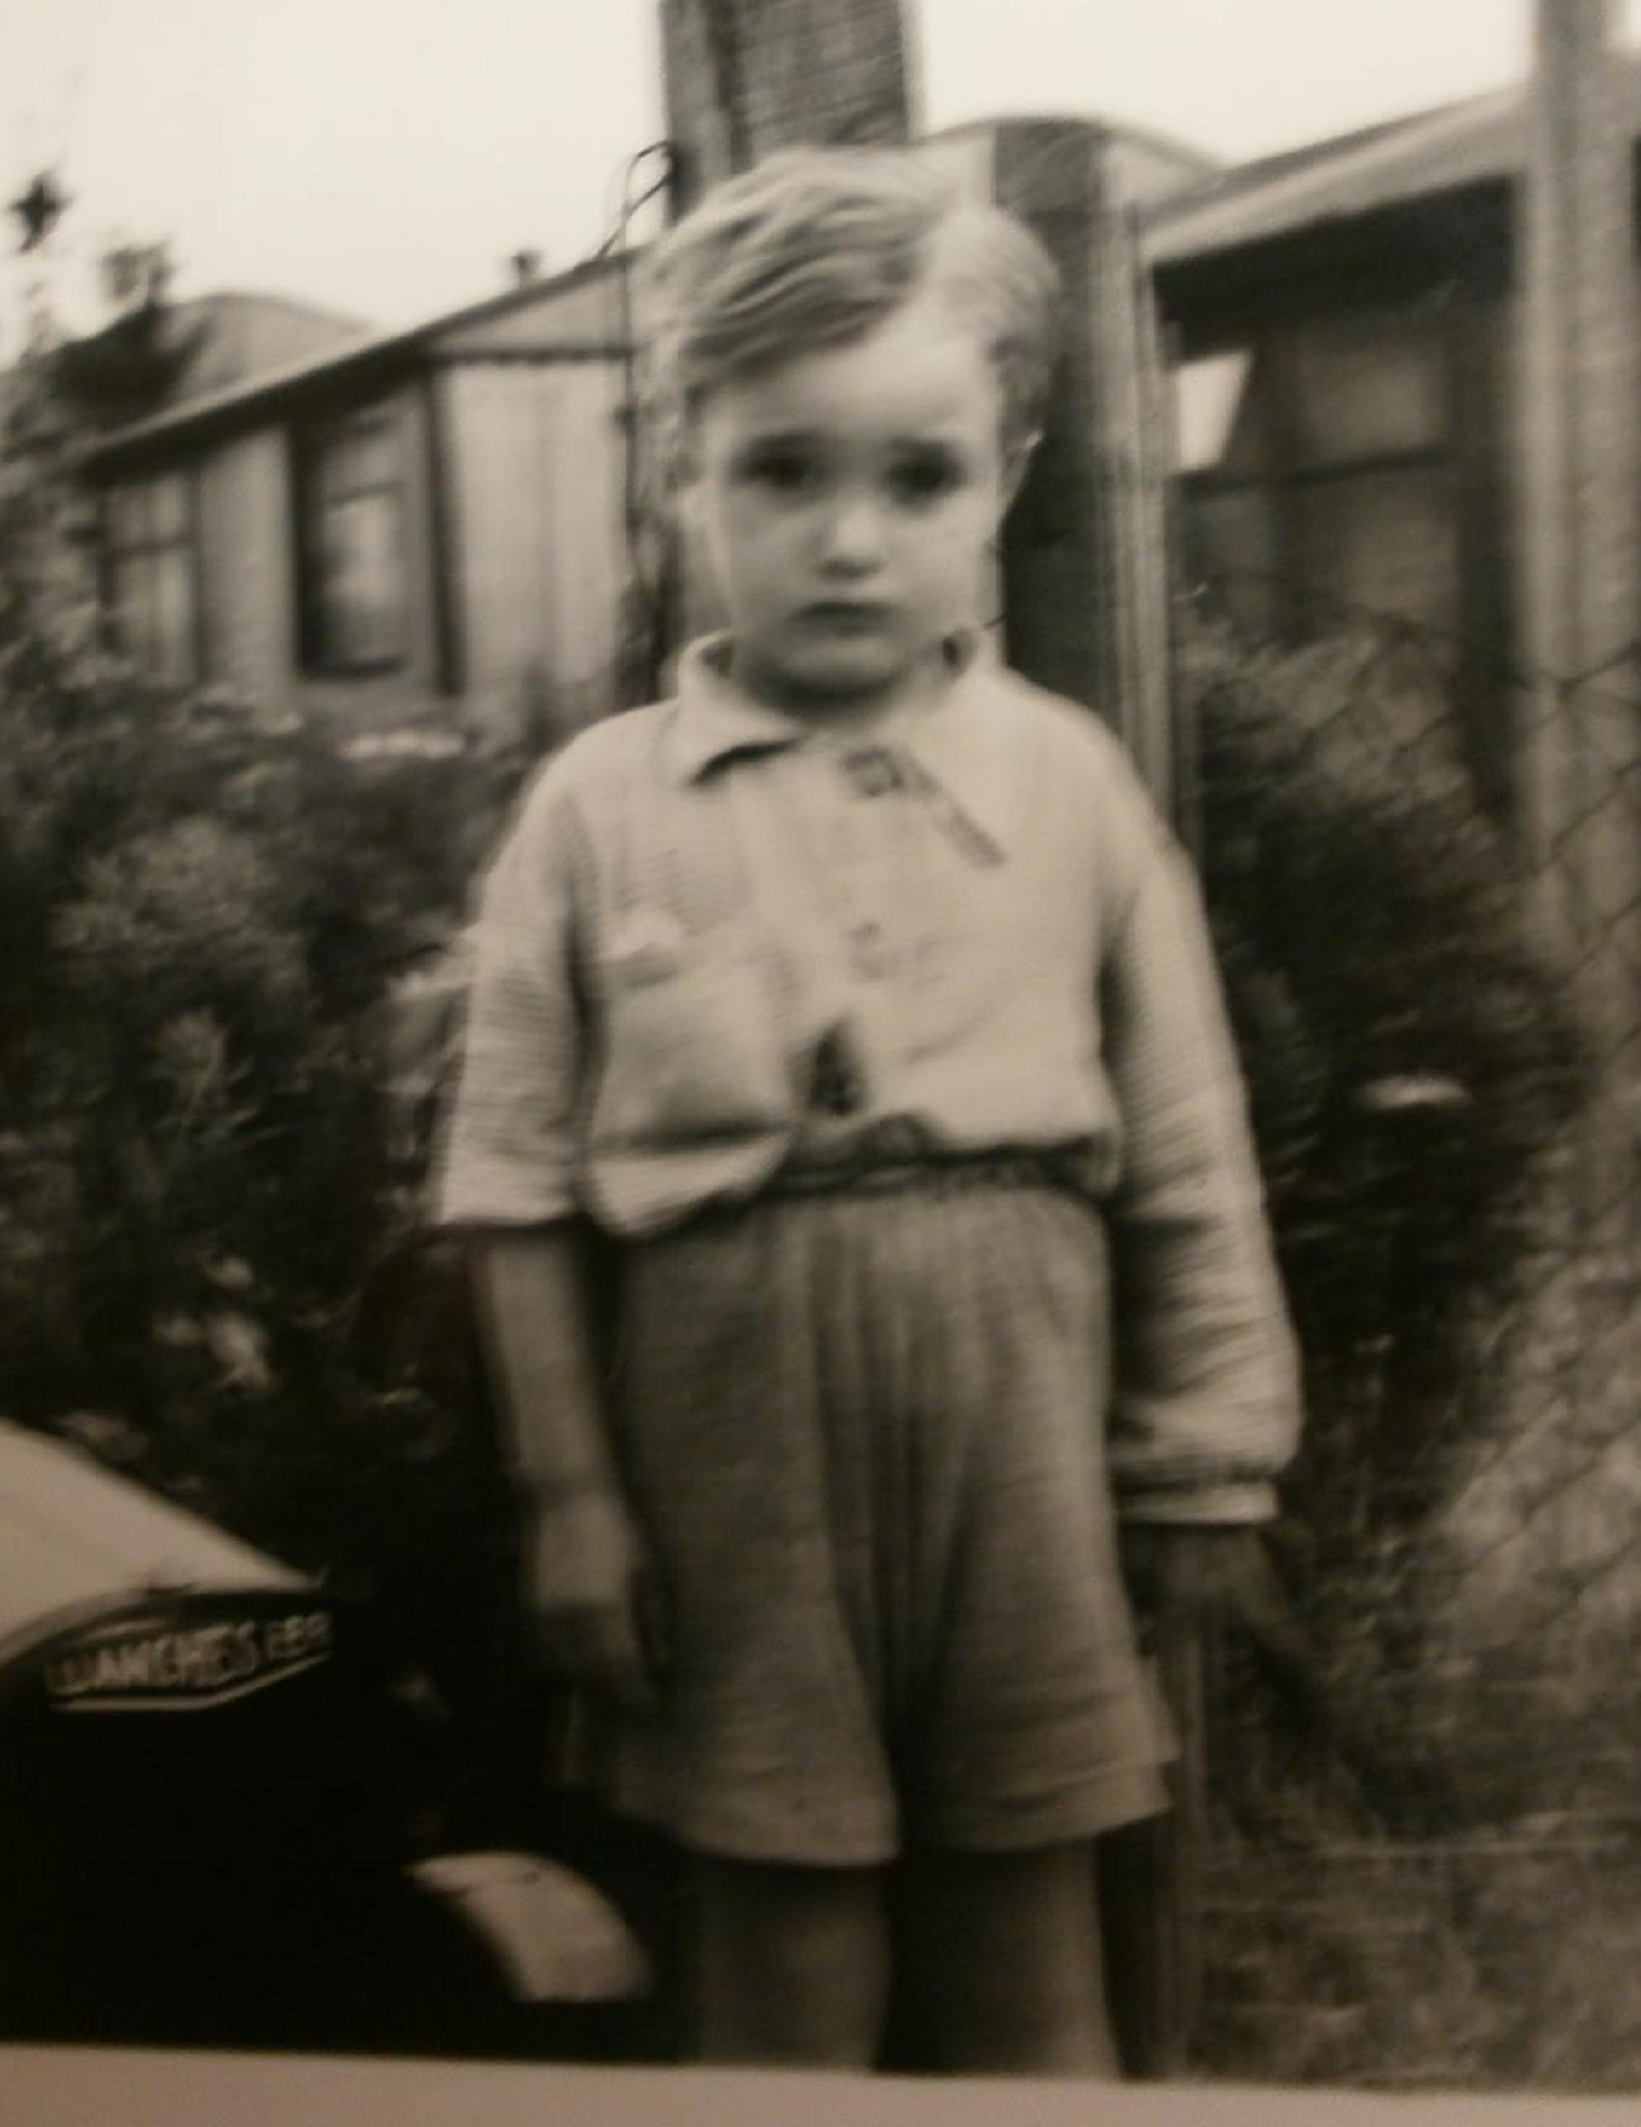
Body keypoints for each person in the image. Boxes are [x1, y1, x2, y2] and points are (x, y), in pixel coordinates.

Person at [432, 145, 1299, 2077]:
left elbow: (1184, 1145)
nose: (849, 543)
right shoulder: (599, 807)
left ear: (1004, 484)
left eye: (916, 481)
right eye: (783, 474)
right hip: (730, 1470)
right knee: (782, 1965)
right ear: (683, 483)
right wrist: (573, 1502)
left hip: (1021, 1449)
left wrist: (1211, 1465)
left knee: (1028, 1955)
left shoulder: (1069, 787)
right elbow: (509, 1184)